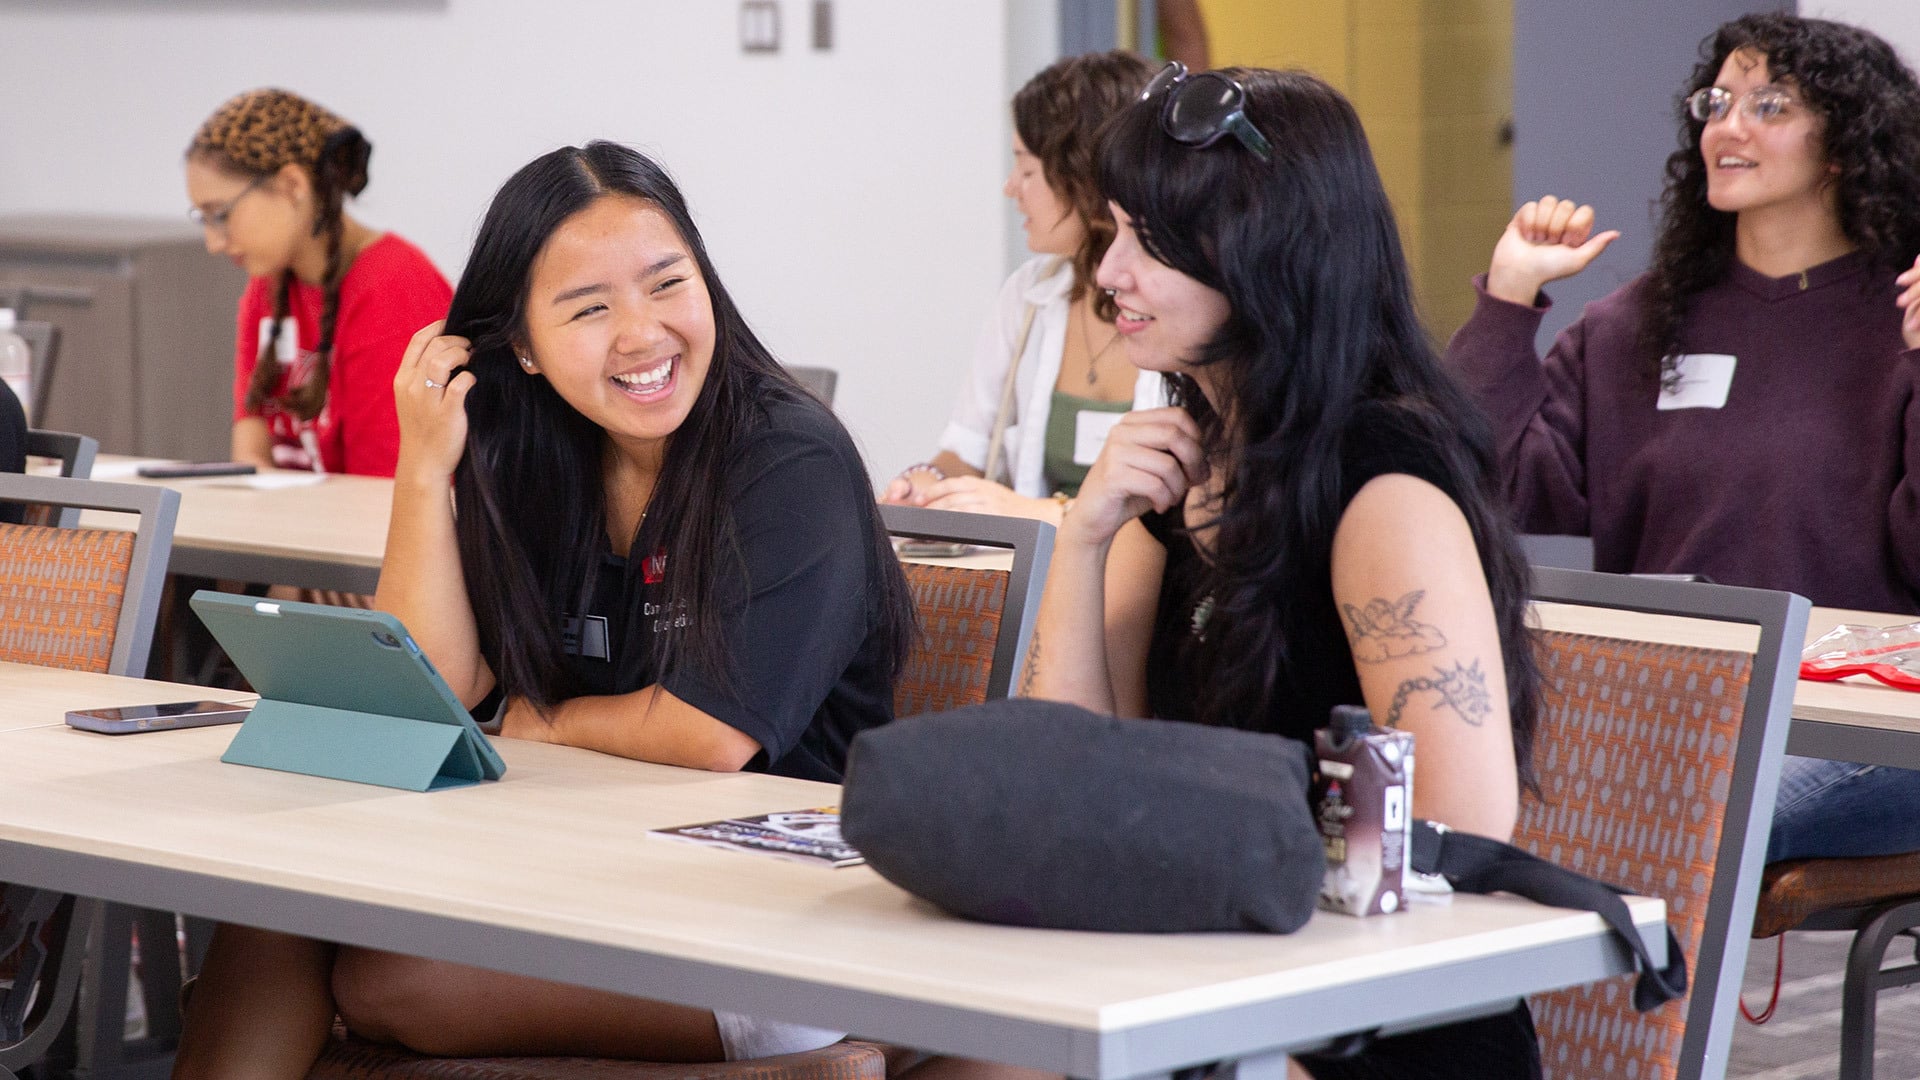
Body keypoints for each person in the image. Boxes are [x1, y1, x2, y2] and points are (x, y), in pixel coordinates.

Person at [171, 142, 917, 1078]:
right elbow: (438, 684)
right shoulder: (540, 452)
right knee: (279, 906)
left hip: (783, 926)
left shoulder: (786, 457)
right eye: (589, 308)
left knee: (387, 983)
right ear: (519, 344)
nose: (641, 334)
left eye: (666, 284)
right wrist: (423, 462)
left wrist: (540, 721)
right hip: (585, 873)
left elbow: (712, 733)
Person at [1020, 63, 1544, 1079]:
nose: (1110, 274)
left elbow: (1460, 821)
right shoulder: (1177, 457)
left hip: (1373, 1015)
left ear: (1268, 254)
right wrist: (1083, 540)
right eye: (1114, 231)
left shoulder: (1380, 483)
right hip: (1207, 982)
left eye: (1151, 242)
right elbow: (1072, 769)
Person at [1443, 12, 1920, 865]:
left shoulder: (1904, 319)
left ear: (1845, 145)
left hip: (1867, 730)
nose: (1728, 127)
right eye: (1717, 101)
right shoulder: (1635, 325)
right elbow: (1495, 486)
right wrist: (1508, 302)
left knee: (1677, 815)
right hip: (1672, 708)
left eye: (1770, 105)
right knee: (1466, 801)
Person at [883, 50, 1163, 525]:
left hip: (1143, 589)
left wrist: (1042, 512)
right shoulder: (1029, 294)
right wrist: (927, 486)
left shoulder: (1185, 303)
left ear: (1084, 176)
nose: (1011, 188)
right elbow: (967, 450)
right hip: (1042, 581)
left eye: (1027, 169)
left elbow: (1181, 506)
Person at [186, 88, 451, 477]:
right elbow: (249, 455)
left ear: (292, 185)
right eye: (203, 219)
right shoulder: (268, 283)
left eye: (221, 214)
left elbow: (385, 493)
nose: (213, 242)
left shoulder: (393, 288)